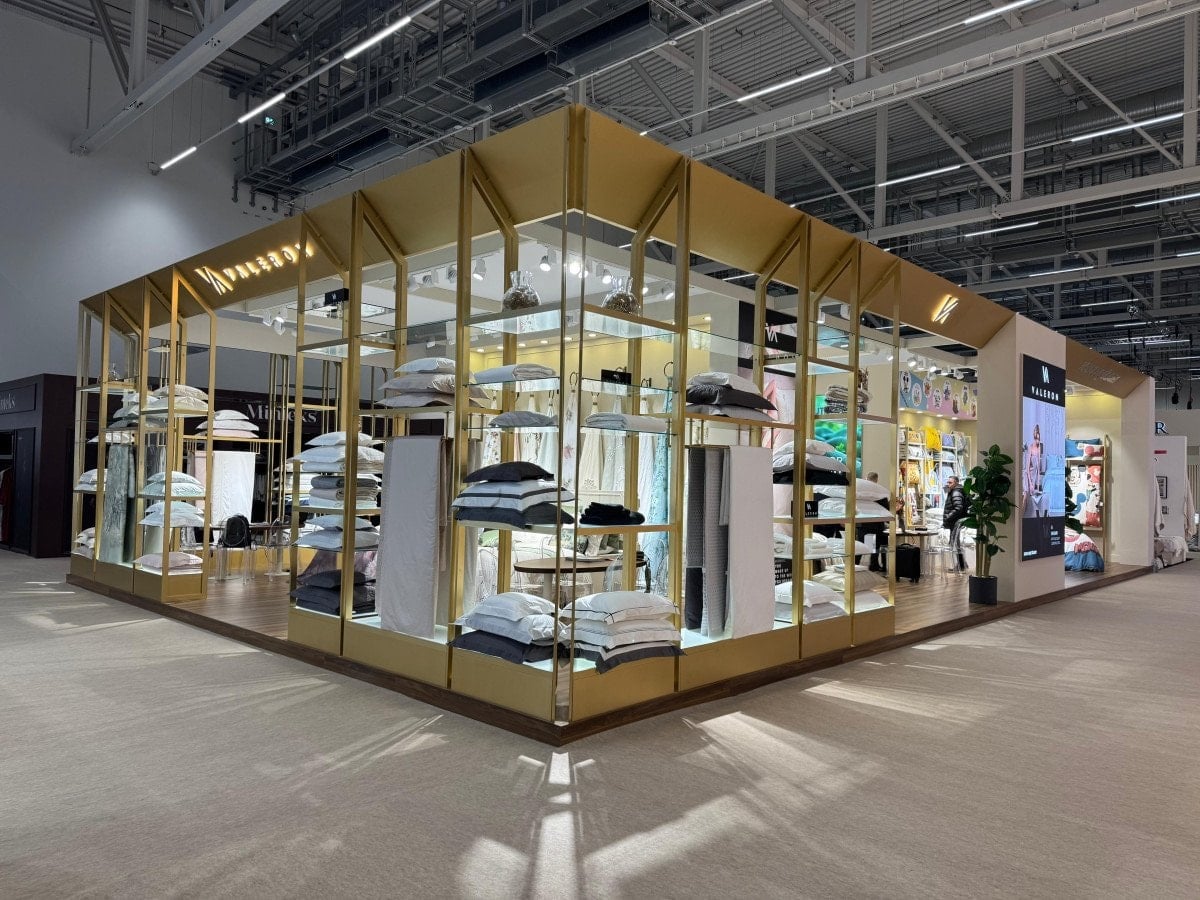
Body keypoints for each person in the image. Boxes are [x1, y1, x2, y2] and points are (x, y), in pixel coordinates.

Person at [943, 475, 968, 571]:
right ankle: (962, 564)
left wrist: (948, 516)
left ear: (956, 483)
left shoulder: (956, 492)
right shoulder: (955, 491)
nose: (948, 484)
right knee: (956, 543)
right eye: (948, 482)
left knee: (955, 544)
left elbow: (958, 507)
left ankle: (961, 565)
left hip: (955, 522)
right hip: (955, 521)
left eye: (950, 482)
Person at [1024, 422, 1046, 517]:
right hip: (1030, 475)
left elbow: (1040, 465)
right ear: (1034, 437)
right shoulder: (1030, 447)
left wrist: (1038, 482)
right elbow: (1027, 468)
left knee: (1038, 498)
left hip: (1037, 475)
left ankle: (1036, 517)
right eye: (1036, 439)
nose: (1038, 441)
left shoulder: (1041, 447)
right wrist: (1031, 484)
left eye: (1039, 439)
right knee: (1028, 496)